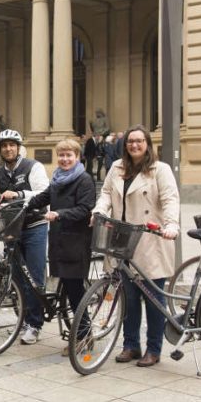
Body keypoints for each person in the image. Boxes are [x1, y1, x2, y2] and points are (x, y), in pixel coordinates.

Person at [93, 124, 179, 367]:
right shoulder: (117, 167)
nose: (134, 145)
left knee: (153, 299)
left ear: (147, 144)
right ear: (125, 144)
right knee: (128, 298)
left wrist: (171, 225)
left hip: (150, 238)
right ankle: (130, 345)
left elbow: (170, 199)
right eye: (131, 141)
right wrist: (99, 210)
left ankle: (154, 348)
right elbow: (107, 194)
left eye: (140, 141)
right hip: (121, 238)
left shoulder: (159, 169)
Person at [26, 139, 95, 356]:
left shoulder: (84, 180)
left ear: (77, 157)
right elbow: (43, 197)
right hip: (58, 241)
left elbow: (85, 209)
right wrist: (22, 204)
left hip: (75, 242)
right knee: (67, 288)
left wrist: (59, 214)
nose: (65, 159)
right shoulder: (57, 179)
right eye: (62, 155)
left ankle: (85, 336)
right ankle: (78, 332)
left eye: (69, 155)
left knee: (75, 291)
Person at [0, 129, 49, 345]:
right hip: (13, 230)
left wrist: (19, 194)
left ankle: (35, 325)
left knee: (34, 277)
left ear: (18, 147)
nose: (8, 149)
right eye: (4, 145)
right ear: (0, 150)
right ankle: (23, 321)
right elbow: (4, 203)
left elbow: (45, 192)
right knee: (16, 278)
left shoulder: (33, 166)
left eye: (12, 145)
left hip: (35, 225)